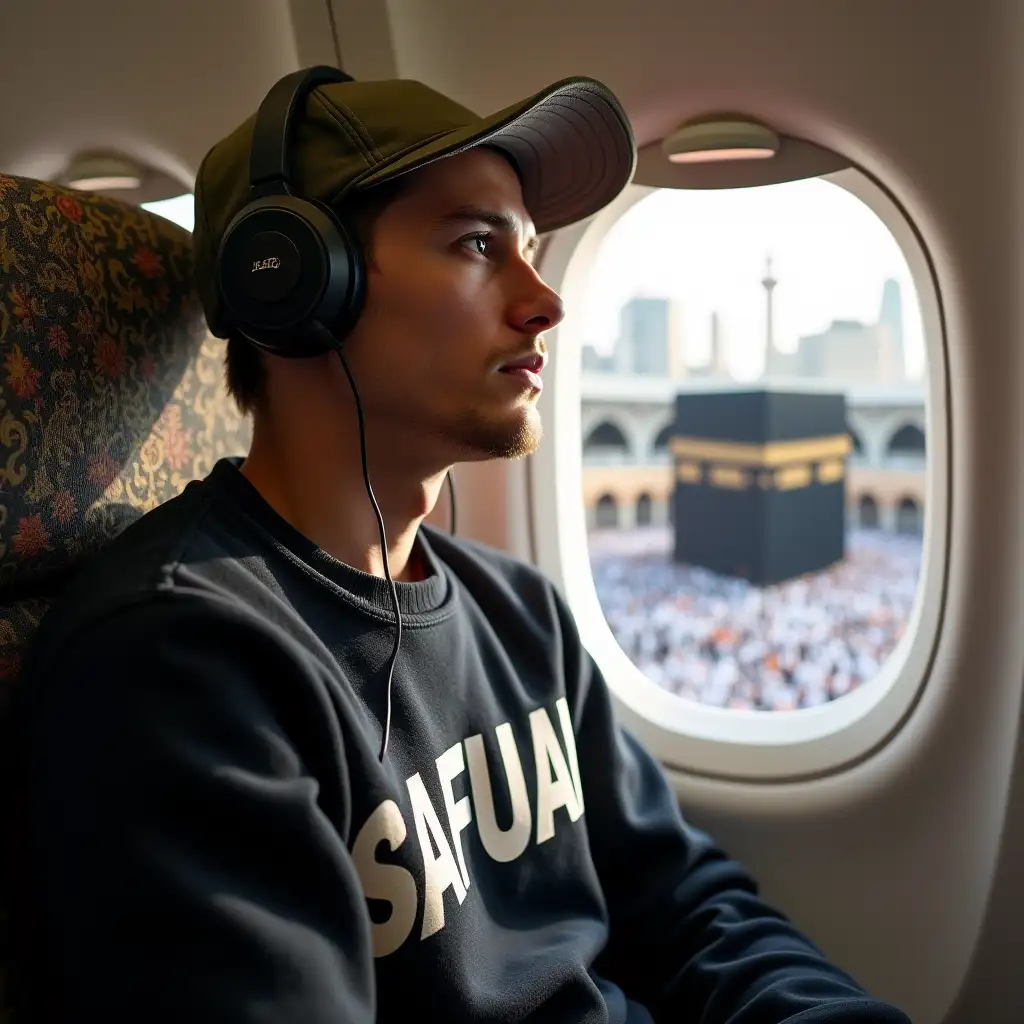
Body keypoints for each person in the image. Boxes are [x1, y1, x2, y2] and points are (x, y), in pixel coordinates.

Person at [11, 68, 912, 1022]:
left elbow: (689, 907)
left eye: (533, 249)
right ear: (294, 281)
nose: (544, 302)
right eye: (480, 243)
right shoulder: (178, 661)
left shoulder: (524, 616)